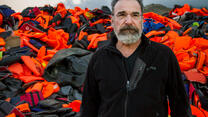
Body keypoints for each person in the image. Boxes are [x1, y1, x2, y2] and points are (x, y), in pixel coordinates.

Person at [80, 0, 192, 116]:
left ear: (142, 21)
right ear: (112, 21)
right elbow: (88, 107)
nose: (129, 21)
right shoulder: (99, 58)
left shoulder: (163, 55)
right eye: (122, 15)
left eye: (135, 15)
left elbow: (180, 105)